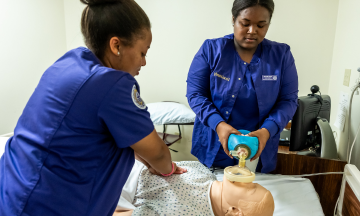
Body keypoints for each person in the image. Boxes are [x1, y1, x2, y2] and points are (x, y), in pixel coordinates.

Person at [0, 0, 186, 215]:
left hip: (12, 187)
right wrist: (168, 169)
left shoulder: (68, 61)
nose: (143, 62)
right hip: (45, 204)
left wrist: (148, 160)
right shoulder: (113, 84)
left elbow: (105, 134)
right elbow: (160, 155)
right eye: (143, 53)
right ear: (116, 45)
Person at [186, 0, 298, 172]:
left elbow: (288, 100)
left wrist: (267, 131)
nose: (252, 31)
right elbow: (195, 94)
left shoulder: (281, 56)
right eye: (245, 24)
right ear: (233, 19)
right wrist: (218, 124)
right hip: (215, 146)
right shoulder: (211, 50)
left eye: (261, 25)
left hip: (259, 150)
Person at [113, 161, 274, 216]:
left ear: (234, 211)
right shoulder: (204, 172)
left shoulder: (191, 212)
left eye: (250, 188)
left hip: (120, 187)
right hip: (133, 162)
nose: (247, 180)